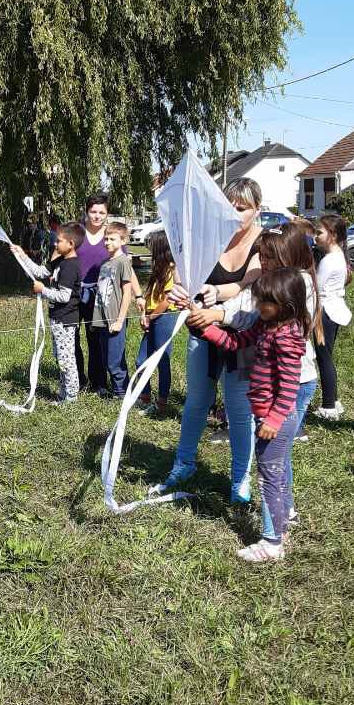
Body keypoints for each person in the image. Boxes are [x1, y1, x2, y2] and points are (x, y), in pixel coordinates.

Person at [191, 225, 321, 534]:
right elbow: (241, 328)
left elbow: (249, 312)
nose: (261, 261)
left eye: (267, 256)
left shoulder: (294, 288)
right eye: (259, 255)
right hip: (279, 388)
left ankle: (273, 532)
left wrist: (217, 315)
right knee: (277, 456)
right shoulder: (270, 298)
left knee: (272, 461)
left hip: (292, 385)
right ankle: (283, 511)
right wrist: (210, 323)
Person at [152, 178, 263, 503]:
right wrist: (181, 289)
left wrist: (218, 292)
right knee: (197, 399)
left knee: (239, 407)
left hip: (243, 336)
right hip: (202, 329)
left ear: (256, 209)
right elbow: (189, 276)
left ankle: (240, 478)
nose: (234, 213)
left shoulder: (263, 242)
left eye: (241, 208)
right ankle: (183, 463)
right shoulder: (209, 238)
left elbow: (250, 283)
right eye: (228, 206)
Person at [198, 267, 309, 563]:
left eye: (264, 302)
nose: (258, 307)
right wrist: (206, 329)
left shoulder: (286, 337)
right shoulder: (268, 324)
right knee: (278, 471)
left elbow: (288, 387)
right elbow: (236, 343)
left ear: (286, 304)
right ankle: (283, 523)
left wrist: (272, 420)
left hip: (278, 419)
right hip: (269, 416)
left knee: (269, 478)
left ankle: (272, 542)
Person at [22, 222, 84, 403]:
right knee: (60, 357)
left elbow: (64, 296)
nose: (55, 244)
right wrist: (21, 254)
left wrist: (43, 290)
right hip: (57, 319)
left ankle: (71, 396)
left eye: (59, 241)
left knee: (67, 360)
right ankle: (63, 393)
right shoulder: (60, 261)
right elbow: (40, 271)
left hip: (66, 320)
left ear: (71, 244)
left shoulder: (70, 266)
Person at [90, 220, 142, 398]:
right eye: (106, 239)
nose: (107, 242)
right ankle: (117, 390)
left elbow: (127, 293)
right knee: (106, 358)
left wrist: (120, 320)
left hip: (115, 320)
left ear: (123, 240)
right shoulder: (106, 263)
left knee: (115, 360)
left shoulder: (122, 262)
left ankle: (122, 393)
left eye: (112, 239)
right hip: (103, 319)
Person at [135, 229, 180, 416]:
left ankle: (161, 402)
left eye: (152, 245)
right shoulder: (158, 269)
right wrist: (145, 314)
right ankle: (144, 396)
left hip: (164, 318)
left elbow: (168, 299)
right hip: (152, 317)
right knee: (141, 360)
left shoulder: (172, 270)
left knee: (162, 361)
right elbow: (149, 297)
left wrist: (152, 316)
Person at [313, 215, 352, 420]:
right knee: (326, 355)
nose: (315, 236)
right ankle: (333, 400)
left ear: (333, 235)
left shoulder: (329, 260)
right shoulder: (338, 256)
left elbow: (316, 289)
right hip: (333, 310)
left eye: (319, 232)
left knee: (324, 357)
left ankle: (329, 405)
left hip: (325, 312)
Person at [73, 193, 112, 391]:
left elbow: (122, 262)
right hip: (73, 293)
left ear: (107, 213)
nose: (97, 216)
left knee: (96, 339)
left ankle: (99, 383)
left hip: (99, 296)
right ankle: (77, 380)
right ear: (87, 211)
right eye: (93, 211)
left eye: (101, 212)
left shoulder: (110, 235)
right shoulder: (77, 232)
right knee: (72, 338)